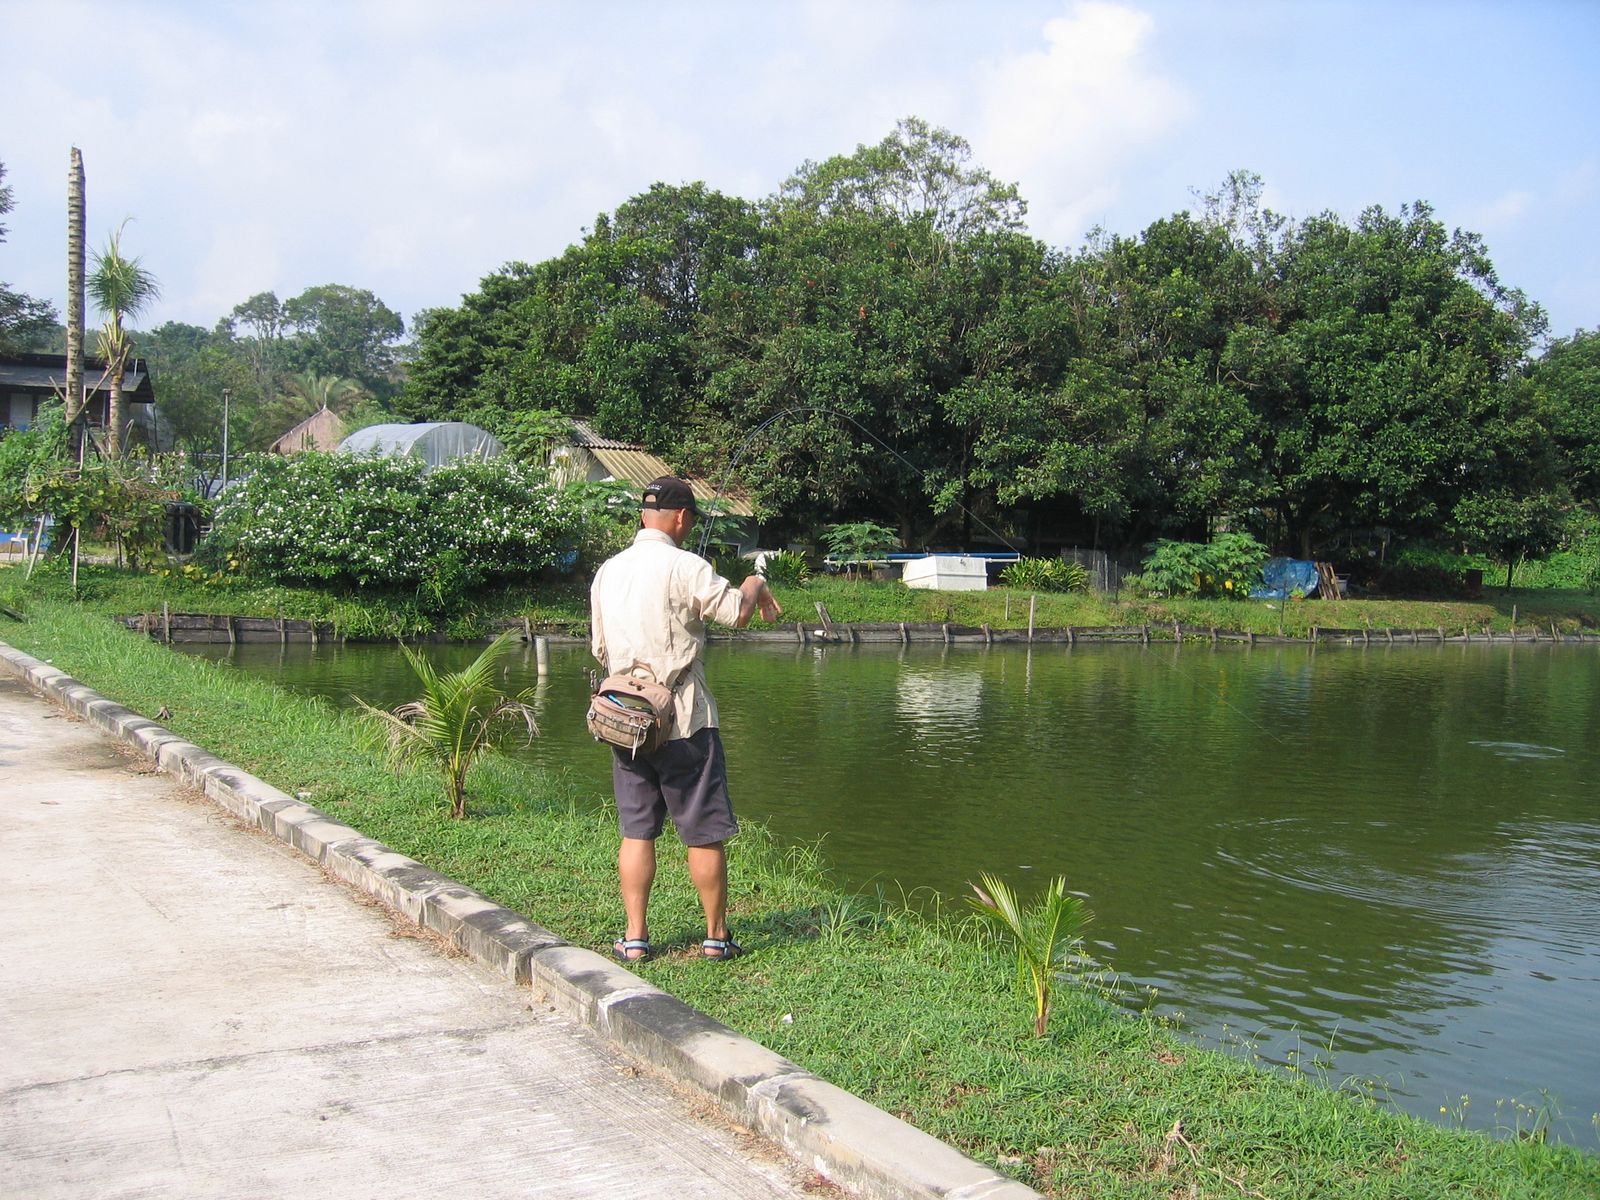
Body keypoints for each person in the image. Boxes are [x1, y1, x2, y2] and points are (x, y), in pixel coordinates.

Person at [589, 476, 782, 962]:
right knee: (703, 830)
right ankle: (716, 938)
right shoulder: (686, 566)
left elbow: (600, 648)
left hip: (624, 718)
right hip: (683, 719)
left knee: (636, 830)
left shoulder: (608, 571)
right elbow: (736, 613)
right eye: (690, 518)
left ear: (643, 516)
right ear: (680, 518)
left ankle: (634, 939)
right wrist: (756, 583)